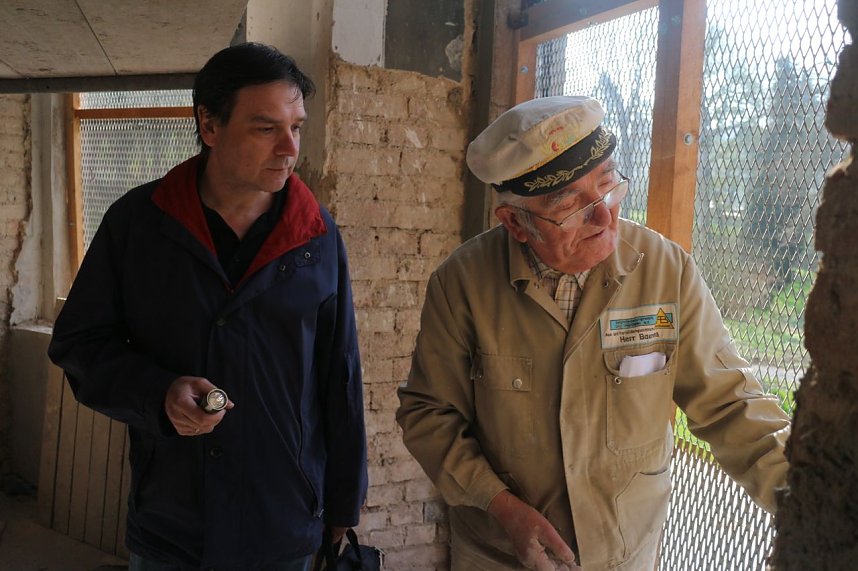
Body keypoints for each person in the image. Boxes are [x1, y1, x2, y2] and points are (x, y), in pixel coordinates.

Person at [396, 96, 791, 570]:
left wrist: (813, 502)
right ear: (515, 222)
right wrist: (500, 504)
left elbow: (730, 402)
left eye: (607, 188)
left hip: (625, 553)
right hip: (499, 554)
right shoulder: (462, 283)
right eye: (570, 207)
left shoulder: (665, 270)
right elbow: (428, 413)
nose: (604, 218)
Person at [48, 42, 367, 570]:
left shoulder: (315, 236)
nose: (289, 148)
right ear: (210, 126)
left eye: (297, 127)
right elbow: (80, 344)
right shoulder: (139, 225)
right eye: (265, 129)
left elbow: (341, 373)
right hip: (173, 519)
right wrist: (158, 393)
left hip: (283, 516)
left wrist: (343, 503)